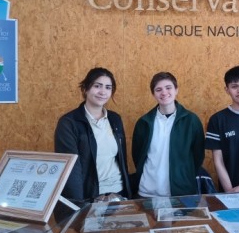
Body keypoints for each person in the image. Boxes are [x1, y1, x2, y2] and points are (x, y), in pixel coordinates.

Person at [54, 67, 132, 204]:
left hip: (118, 194)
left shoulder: (115, 119)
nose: (103, 92)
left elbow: (121, 160)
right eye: (97, 86)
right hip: (90, 197)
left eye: (108, 87)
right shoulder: (69, 123)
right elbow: (71, 170)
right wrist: (78, 204)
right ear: (85, 88)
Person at [132, 72, 205, 197]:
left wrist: (183, 175)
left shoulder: (191, 120)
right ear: (153, 94)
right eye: (158, 89)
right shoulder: (144, 122)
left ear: (176, 90)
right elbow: (138, 156)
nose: (164, 93)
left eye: (168, 87)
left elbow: (198, 156)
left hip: (181, 192)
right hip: (147, 192)